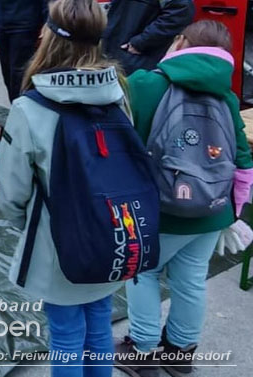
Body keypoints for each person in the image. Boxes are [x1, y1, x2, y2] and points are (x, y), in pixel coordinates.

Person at [0, 0, 128, 376]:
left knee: (67, 332)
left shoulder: (29, 108)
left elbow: (12, 194)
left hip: (58, 242)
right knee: (99, 321)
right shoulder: (119, 93)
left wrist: (31, 229)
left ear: (51, 37)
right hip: (111, 234)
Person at [115, 20, 253, 377]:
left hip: (157, 209)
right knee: (190, 278)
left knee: (143, 273)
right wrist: (232, 213)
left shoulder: (146, 84)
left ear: (180, 42)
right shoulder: (227, 97)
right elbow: (242, 161)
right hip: (211, 210)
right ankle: (179, 352)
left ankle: (141, 352)